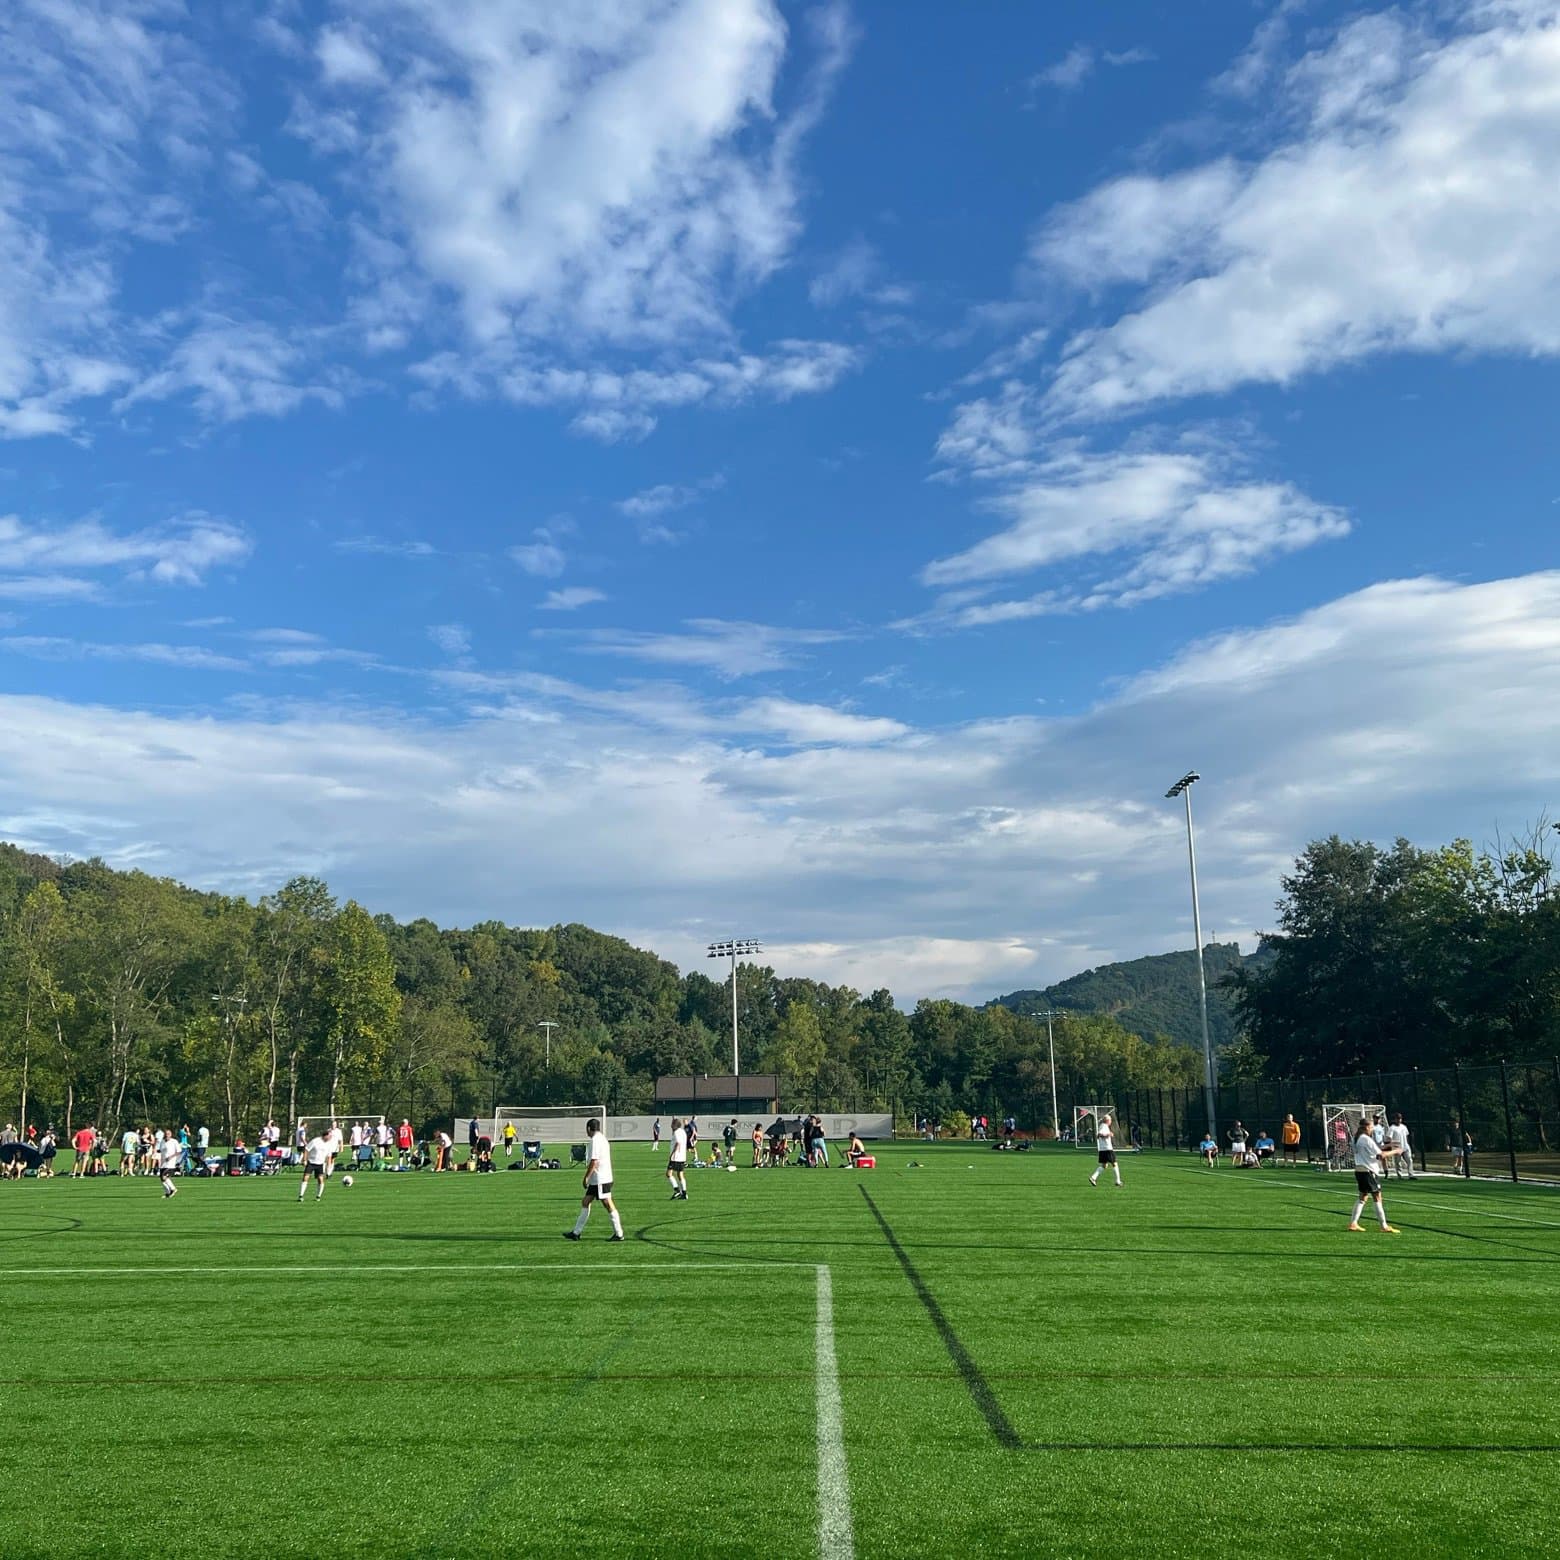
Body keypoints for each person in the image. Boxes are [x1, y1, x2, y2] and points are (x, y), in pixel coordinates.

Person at [562, 1118, 624, 1241]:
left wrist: (586, 1177)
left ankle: (619, 1234)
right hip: (599, 1178)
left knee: (608, 1204)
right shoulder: (602, 1138)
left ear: (589, 1128)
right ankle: (576, 1233)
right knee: (586, 1202)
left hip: (600, 1178)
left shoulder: (595, 1140)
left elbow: (594, 1161)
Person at [1348, 1118, 1401, 1233]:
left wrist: (1390, 1145)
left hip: (1359, 1170)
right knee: (1377, 1197)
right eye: (1371, 1127)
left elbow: (1374, 1150)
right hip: (1369, 1171)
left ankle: (1353, 1223)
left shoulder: (1355, 1138)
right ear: (1367, 1127)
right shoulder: (1366, 1139)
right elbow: (1380, 1155)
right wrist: (1396, 1151)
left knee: (1363, 1197)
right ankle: (1384, 1226)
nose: (1372, 1129)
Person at [1089, 1113, 1122, 1188]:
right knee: (1114, 1164)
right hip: (1107, 1148)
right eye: (1110, 1120)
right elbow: (1100, 1134)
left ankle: (1093, 1178)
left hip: (1102, 1149)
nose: (1111, 1121)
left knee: (1104, 1165)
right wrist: (1108, 1135)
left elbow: (1098, 1135)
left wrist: (1104, 1135)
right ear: (1107, 1120)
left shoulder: (1102, 1126)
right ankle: (1118, 1181)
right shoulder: (1104, 1126)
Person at [298, 1130, 331, 1202]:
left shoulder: (329, 1144)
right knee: (305, 1177)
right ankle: (301, 1196)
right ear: (325, 1136)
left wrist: (328, 1169)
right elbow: (306, 1149)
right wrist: (305, 1160)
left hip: (320, 1164)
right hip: (311, 1162)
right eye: (329, 1136)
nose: (330, 1138)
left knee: (320, 1180)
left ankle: (318, 1196)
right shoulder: (315, 1141)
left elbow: (329, 1157)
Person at [666, 1116, 689, 1200]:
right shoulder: (682, 1131)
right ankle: (684, 1193)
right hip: (682, 1156)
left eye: (672, 1124)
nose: (671, 1126)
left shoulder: (676, 1132)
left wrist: (672, 1154)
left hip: (676, 1157)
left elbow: (678, 1143)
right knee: (680, 1175)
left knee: (668, 1174)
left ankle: (677, 1190)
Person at [1386, 1113, 1414, 1178]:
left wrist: (1408, 1145)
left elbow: (1407, 1136)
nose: (1399, 1120)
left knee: (1409, 1160)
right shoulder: (1392, 1128)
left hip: (1405, 1147)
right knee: (1398, 1163)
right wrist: (1392, 1147)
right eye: (1397, 1118)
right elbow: (1389, 1138)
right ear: (1395, 1119)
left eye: (1400, 1118)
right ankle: (1400, 1175)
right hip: (1397, 1148)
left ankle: (1411, 1175)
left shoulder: (1404, 1127)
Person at [158, 1129, 183, 1198]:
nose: (167, 1135)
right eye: (166, 1134)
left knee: (164, 1177)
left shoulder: (174, 1141)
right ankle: (167, 1193)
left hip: (170, 1163)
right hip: (163, 1163)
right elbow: (161, 1151)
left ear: (171, 1134)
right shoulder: (162, 1141)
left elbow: (178, 1151)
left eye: (168, 1134)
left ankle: (173, 1189)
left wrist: (171, 1157)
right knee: (162, 1179)